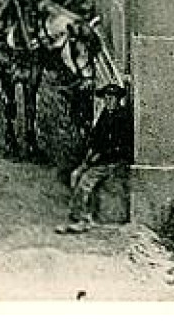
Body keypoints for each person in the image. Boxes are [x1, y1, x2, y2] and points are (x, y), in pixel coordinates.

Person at [59, 84, 132, 233]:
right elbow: (95, 137)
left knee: (86, 182)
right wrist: (88, 157)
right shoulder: (105, 114)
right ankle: (81, 215)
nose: (109, 101)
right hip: (101, 159)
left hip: (114, 160)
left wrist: (99, 156)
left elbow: (120, 144)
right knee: (75, 175)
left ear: (118, 100)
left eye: (112, 98)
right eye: (106, 98)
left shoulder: (122, 118)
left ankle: (82, 220)